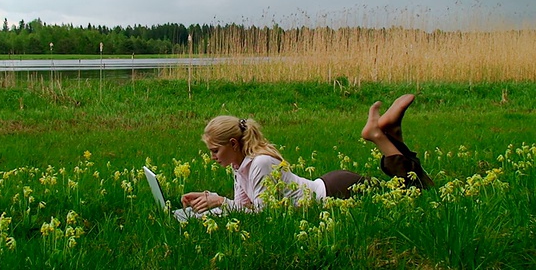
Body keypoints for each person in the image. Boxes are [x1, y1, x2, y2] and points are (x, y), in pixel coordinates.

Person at [181, 94, 434, 213]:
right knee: (406, 192)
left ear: (234, 144)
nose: (213, 156)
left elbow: (264, 216)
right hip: (330, 185)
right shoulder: (240, 166)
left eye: (216, 150)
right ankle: (391, 133)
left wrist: (219, 202)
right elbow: (245, 210)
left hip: (338, 191)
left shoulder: (260, 163)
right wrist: (211, 198)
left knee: (415, 195)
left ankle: (379, 136)